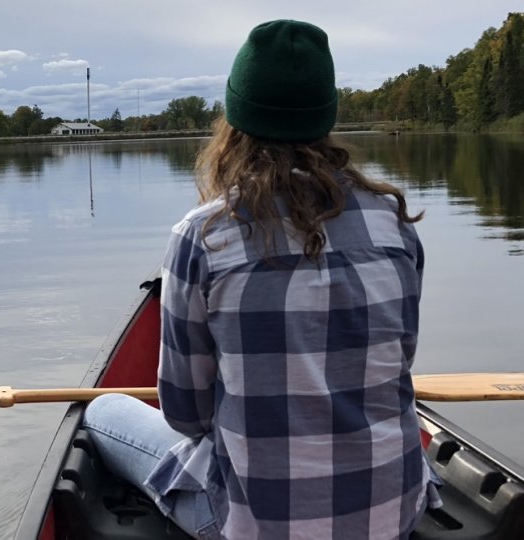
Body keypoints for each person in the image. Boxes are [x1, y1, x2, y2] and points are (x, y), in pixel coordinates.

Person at [82, 19, 441, 539]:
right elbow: (399, 365)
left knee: (106, 409)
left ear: (236, 121)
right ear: (326, 119)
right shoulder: (394, 225)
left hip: (258, 526)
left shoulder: (203, 237)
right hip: (391, 518)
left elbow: (186, 414)